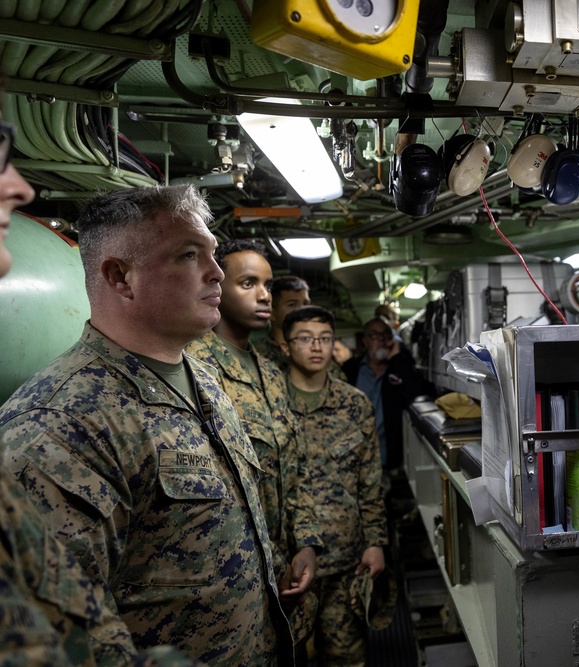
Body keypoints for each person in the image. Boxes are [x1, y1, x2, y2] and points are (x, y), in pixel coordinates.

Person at [0, 185, 292, 664]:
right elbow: (63, 642)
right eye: (188, 255)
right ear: (120, 277)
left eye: (212, 254)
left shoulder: (202, 379)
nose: (215, 272)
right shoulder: (59, 425)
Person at [185, 239, 322, 647]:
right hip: (233, 582)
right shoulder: (193, 369)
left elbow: (295, 468)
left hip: (286, 569)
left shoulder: (270, 373)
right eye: (248, 283)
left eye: (267, 283)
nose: (265, 295)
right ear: (216, 287)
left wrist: (307, 542)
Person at [282, 306, 388, 665]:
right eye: (306, 338)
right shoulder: (268, 405)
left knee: (346, 657)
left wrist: (375, 542)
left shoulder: (355, 405)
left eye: (325, 339)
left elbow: (370, 481)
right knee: (287, 656)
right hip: (287, 564)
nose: (317, 347)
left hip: (346, 559)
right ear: (286, 346)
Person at [343, 316, 424, 471]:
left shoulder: (399, 367)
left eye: (386, 334)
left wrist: (397, 357)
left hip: (388, 457)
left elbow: (416, 392)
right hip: (353, 456)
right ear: (365, 341)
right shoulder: (350, 370)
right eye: (374, 335)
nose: (381, 339)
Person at [257, 274, 351, 379]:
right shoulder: (258, 355)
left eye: (306, 303)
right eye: (292, 305)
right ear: (272, 313)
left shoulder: (319, 351)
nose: (303, 309)